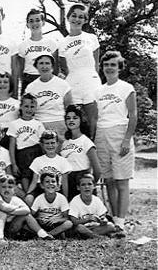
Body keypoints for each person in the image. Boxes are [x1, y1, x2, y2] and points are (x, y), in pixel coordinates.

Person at [93, 51, 137, 233]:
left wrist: (127, 139)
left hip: (120, 133)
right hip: (102, 134)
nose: (109, 68)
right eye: (106, 65)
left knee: (121, 181)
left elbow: (133, 115)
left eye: (113, 65)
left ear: (119, 67)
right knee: (109, 180)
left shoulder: (126, 88)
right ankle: (114, 219)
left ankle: (121, 220)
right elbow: (96, 118)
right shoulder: (98, 91)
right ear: (102, 68)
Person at [58, 4, 101, 123]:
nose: (77, 19)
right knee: (75, 119)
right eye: (74, 16)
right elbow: (64, 68)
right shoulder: (61, 43)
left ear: (85, 20)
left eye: (81, 17)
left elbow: (96, 64)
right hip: (73, 82)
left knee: (94, 119)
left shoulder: (91, 38)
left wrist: (93, 79)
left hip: (91, 81)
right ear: (68, 17)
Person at [0, 174, 53, 241]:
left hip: (12, 227)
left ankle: (42, 234)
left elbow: (27, 210)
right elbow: (4, 207)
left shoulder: (15, 199)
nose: (7, 189)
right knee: (2, 213)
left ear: (14, 189)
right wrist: (16, 209)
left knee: (27, 215)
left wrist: (12, 212)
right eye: (3, 187)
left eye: (10, 187)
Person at [25, 54, 73, 140]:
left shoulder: (63, 84)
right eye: (41, 63)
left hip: (59, 123)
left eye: (47, 63)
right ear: (36, 66)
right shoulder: (30, 88)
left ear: (52, 66)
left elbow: (70, 108)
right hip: (39, 124)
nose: (44, 67)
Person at [60, 105, 101, 200]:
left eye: (75, 118)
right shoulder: (65, 143)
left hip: (81, 179)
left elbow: (97, 170)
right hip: (67, 181)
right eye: (68, 118)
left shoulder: (86, 142)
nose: (71, 120)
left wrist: (89, 185)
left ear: (81, 120)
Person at [8, 93, 45, 193]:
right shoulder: (14, 124)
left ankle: (35, 196)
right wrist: (14, 164)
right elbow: (12, 145)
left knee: (36, 175)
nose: (29, 109)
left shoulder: (38, 124)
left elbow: (43, 143)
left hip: (36, 152)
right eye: (26, 106)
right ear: (21, 107)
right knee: (25, 175)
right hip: (22, 153)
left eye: (32, 107)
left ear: (36, 108)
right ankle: (27, 195)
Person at [69, 173, 123, 239]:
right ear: (78, 187)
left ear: (94, 186)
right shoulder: (75, 201)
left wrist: (103, 220)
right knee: (79, 228)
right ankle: (98, 237)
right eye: (83, 185)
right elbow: (74, 221)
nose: (87, 187)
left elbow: (102, 216)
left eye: (89, 184)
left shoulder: (96, 200)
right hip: (83, 227)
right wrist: (87, 219)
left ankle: (89, 235)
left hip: (95, 227)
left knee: (110, 225)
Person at [25, 130, 71, 205]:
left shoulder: (63, 161)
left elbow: (64, 183)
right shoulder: (38, 160)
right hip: (41, 188)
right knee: (29, 199)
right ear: (42, 145)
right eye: (47, 143)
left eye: (52, 143)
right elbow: (34, 181)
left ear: (57, 144)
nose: (50, 146)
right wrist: (28, 194)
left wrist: (65, 199)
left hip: (56, 189)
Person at [18, 8, 58, 93]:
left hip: (47, 79)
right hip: (29, 80)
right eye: (31, 21)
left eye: (37, 20)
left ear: (43, 22)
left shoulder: (51, 43)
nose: (34, 23)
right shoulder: (22, 46)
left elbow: (56, 68)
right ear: (27, 24)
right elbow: (20, 69)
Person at [31, 172, 73, 239]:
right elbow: (31, 215)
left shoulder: (61, 198)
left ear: (58, 185)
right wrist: (39, 219)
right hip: (42, 225)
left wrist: (58, 220)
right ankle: (44, 234)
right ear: (42, 185)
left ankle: (49, 235)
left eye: (53, 181)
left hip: (55, 224)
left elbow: (66, 217)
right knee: (27, 224)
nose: (50, 183)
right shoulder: (39, 199)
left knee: (69, 223)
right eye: (47, 181)